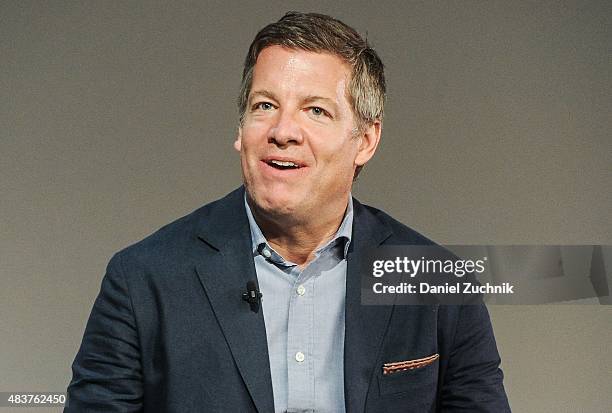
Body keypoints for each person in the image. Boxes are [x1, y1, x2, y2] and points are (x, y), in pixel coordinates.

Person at [66, 11, 510, 412]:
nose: (283, 131)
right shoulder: (143, 278)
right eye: (265, 106)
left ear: (366, 141)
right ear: (241, 129)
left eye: (315, 110)